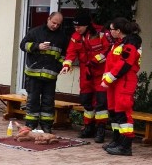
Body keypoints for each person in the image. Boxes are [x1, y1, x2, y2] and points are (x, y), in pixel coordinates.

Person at [60, 11, 113, 142]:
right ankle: (88, 127)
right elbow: (71, 52)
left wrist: (97, 59)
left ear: (87, 25)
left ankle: (101, 129)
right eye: (75, 27)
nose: (76, 29)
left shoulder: (101, 33)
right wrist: (67, 65)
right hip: (86, 72)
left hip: (101, 73)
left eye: (79, 27)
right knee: (86, 100)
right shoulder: (76, 36)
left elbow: (109, 50)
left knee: (101, 103)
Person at [18, 11, 71, 133]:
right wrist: (37, 46)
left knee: (48, 102)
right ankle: (30, 125)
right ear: (48, 19)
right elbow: (23, 45)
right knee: (33, 101)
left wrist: (57, 67)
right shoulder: (35, 32)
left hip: (50, 76)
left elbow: (64, 56)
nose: (55, 26)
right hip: (33, 74)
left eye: (58, 24)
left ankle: (47, 126)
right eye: (54, 23)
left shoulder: (62, 37)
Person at [101, 18, 142, 156]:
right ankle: (117, 141)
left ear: (118, 31)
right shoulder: (119, 44)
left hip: (124, 81)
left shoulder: (130, 44)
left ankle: (125, 145)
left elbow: (124, 64)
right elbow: (111, 63)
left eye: (111, 29)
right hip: (116, 82)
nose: (109, 32)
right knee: (114, 112)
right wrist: (107, 79)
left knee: (123, 113)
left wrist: (108, 79)